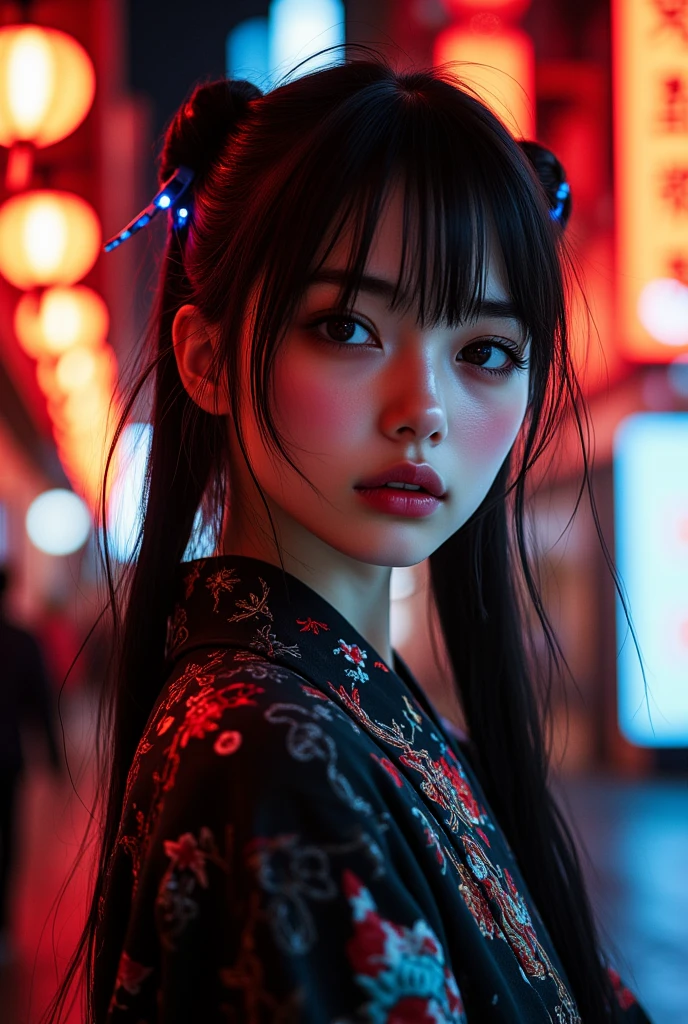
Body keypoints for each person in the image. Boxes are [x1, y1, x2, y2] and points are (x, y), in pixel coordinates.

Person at [47, 53, 651, 1023]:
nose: (426, 411)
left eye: (485, 352)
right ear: (204, 359)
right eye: (347, 327)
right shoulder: (269, 758)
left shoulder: (346, 712)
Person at [0, 565, 62, 968]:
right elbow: (39, 704)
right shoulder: (21, 641)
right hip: (5, 759)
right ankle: (2, 928)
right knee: (7, 843)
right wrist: (54, 760)